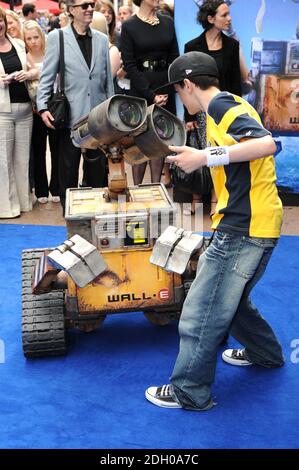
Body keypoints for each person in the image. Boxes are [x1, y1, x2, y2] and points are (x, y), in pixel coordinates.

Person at [145, 51, 284, 411]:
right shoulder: (228, 105)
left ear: (187, 85)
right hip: (254, 222)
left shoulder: (221, 106)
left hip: (243, 227)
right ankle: (265, 352)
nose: (181, 99)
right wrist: (198, 157)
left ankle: (189, 391)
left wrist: (203, 157)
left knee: (201, 311)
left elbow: (268, 144)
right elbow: (241, 157)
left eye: (179, 92)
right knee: (231, 301)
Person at [37, 0, 114, 213]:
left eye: (92, 4)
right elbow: (47, 76)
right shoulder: (57, 37)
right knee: (68, 167)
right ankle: (70, 211)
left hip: (98, 117)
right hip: (70, 115)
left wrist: (112, 114)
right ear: (71, 10)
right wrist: (43, 107)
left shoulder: (101, 39)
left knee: (97, 168)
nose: (90, 8)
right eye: (84, 5)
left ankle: (97, 209)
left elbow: (107, 80)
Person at [183, 0, 244, 216]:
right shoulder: (192, 47)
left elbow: (236, 84)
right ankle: (197, 198)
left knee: (221, 154)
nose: (229, 19)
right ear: (210, 19)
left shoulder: (232, 46)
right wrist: (187, 116)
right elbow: (186, 86)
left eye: (229, 14)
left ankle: (218, 200)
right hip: (199, 111)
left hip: (224, 111)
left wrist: (237, 112)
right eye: (224, 15)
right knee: (200, 150)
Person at [120, 0, 179, 185]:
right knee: (141, 140)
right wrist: (150, 94)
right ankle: (137, 189)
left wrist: (168, 88)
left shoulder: (168, 21)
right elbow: (129, 64)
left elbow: (174, 57)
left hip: (165, 86)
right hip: (141, 87)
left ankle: (156, 188)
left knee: (161, 139)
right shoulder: (129, 25)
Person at [0, 7, 38, 219]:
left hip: (25, 109)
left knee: (22, 160)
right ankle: (7, 207)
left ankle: (24, 202)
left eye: (0, 20)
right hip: (2, 112)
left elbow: (36, 70)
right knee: (3, 161)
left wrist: (27, 73)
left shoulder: (19, 44)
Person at [24, 20, 60, 205]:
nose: (33, 41)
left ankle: (56, 187)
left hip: (54, 106)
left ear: (42, 36)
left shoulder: (51, 53)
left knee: (56, 148)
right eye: (29, 38)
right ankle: (41, 189)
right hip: (34, 109)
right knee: (38, 150)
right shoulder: (24, 57)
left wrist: (35, 73)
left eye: (36, 37)